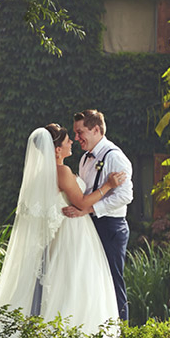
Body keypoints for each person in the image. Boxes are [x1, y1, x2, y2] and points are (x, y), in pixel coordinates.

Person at [0, 125, 123, 338]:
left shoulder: (38, 175)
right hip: (72, 234)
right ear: (56, 149)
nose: (72, 143)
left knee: (65, 284)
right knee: (76, 284)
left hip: (62, 235)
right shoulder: (62, 171)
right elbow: (82, 201)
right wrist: (109, 185)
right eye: (67, 141)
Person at [62, 109, 134, 322]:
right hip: (90, 225)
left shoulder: (115, 157)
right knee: (94, 282)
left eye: (80, 132)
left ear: (96, 129)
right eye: (75, 133)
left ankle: (121, 333)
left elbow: (125, 196)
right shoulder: (85, 158)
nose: (76, 138)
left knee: (112, 280)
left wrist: (90, 209)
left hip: (111, 226)